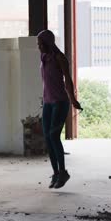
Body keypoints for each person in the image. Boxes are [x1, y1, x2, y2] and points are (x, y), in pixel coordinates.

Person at [37, 29, 82, 189]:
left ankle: (63, 172)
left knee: (54, 136)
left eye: (40, 43)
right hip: (48, 103)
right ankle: (56, 173)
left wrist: (73, 100)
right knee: (47, 138)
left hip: (60, 102)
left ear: (47, 43)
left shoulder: (60, 58)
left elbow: (68, 81)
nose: (38, 46)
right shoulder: (44, 58)